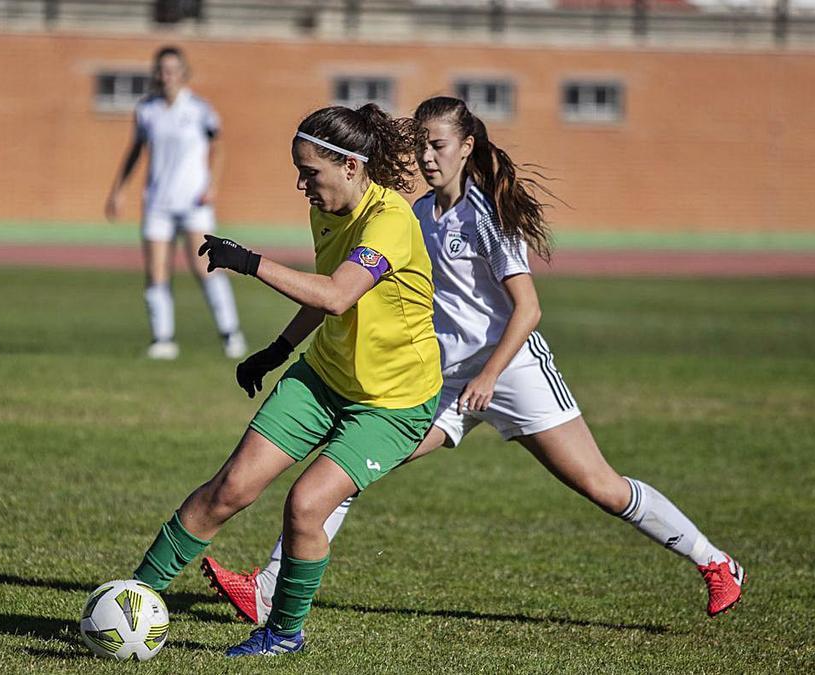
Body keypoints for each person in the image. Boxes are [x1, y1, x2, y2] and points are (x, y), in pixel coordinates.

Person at [201, 95, 744, 627]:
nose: (427, 158)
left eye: (438, 146)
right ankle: (269, 593)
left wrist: (488, 376)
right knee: (346, 470)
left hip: (513, 372)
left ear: (467, 146)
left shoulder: (487, 215)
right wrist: (281, 348)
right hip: (443, 382)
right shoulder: (413, 213)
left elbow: (528, 309)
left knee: (602, 487)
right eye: (421, 148)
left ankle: (716, 563)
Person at [130, 104, 442, 657]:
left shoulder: (389, 221)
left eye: (310, 173)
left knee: (305, 505)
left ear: (351, 167)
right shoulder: (328, 209)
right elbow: (323, 295)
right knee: (231, 487)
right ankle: (132, 599)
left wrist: (250, 264)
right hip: (323, 376)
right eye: (298, 171)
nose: (301, 184)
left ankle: (282, 634)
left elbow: (338, 293)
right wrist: (275, 352)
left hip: (392, 403)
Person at [104, 45, 246, 360]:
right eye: (161, 70)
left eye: (172, 70)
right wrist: (118, 190)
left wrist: (213, 185)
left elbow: (218, 148)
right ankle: (163, 340)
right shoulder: (147, 110)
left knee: (205, 266)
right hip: (157, 203)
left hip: (194, 202)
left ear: (183, 74)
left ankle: (231, 334)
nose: (165, 76)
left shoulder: (199, 109)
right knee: (156, 271)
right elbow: (135, 151)